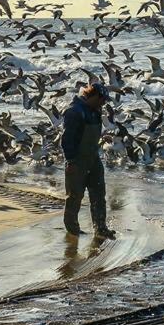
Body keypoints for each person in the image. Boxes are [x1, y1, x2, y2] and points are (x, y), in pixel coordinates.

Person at [60, 82, 116, 239]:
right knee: (75, 196)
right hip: (77, 160)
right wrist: (70, 161)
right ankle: (72, 229)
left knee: (99, 194)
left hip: (93, 158)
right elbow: (67, 140)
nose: (104, 103)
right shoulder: (74, 111)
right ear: (94, 96)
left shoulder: (95, 111)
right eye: (102, 99)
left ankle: (101, 228)